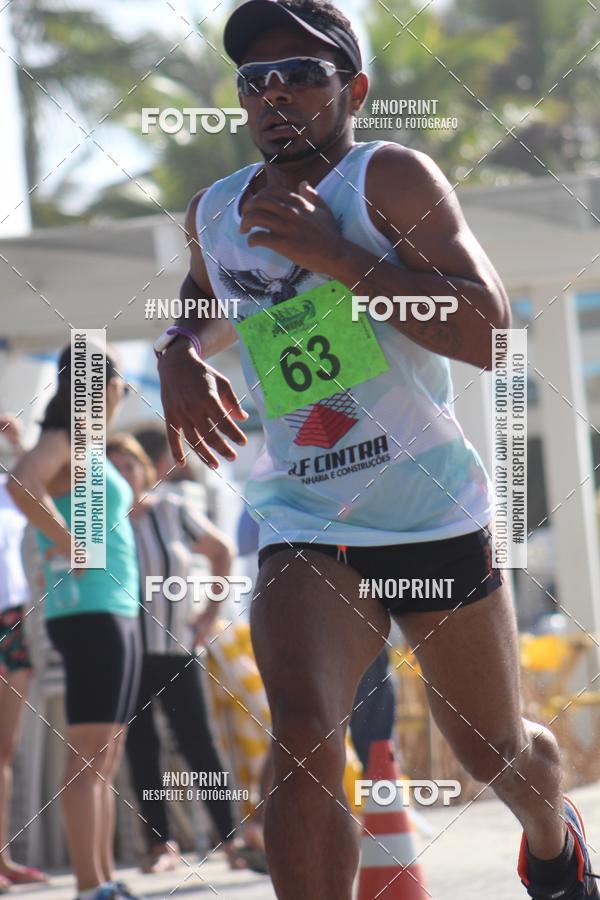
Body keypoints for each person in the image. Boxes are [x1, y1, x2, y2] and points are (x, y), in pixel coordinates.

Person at [154, 2, 599, 898]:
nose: (274, 92)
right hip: (305, 517)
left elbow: (486, 332)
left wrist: (339, 255)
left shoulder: (388, 178)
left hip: (431, 511)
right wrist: (176, 356)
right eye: (254, 79)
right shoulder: (215, 210)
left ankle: (555, 836)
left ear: (352, 89)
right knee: (306, 733)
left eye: (303, 74)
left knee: (492, 750)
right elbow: (201, 299)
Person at [8, 346, 142, 900]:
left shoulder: (89, 445)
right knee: (89, 754)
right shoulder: (64, 437)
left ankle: (104, 880)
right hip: (86, 608)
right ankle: (90, 888)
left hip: (117, 607)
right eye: (118, 383)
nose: (124, 393)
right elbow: (20, 483)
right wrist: (72, 543)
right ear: (95, 385)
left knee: (105, 758)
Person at [106, 433, 257, 873]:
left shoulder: (171, 510)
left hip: (175, 645)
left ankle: (229, 839)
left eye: (130, 465)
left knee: (198, 743)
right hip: (126, 653)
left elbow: (222, 551)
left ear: (145, 471)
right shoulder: (101, 522)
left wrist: (210, 611)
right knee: (140, 746)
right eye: (113, 467)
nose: (124, 474)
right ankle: (161, 846)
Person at [0, 415, 49, 890]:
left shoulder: (8, 488)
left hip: (9, 621)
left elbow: (45, 480)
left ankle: (3, 857)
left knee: (4, 750)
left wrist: (19, 443)